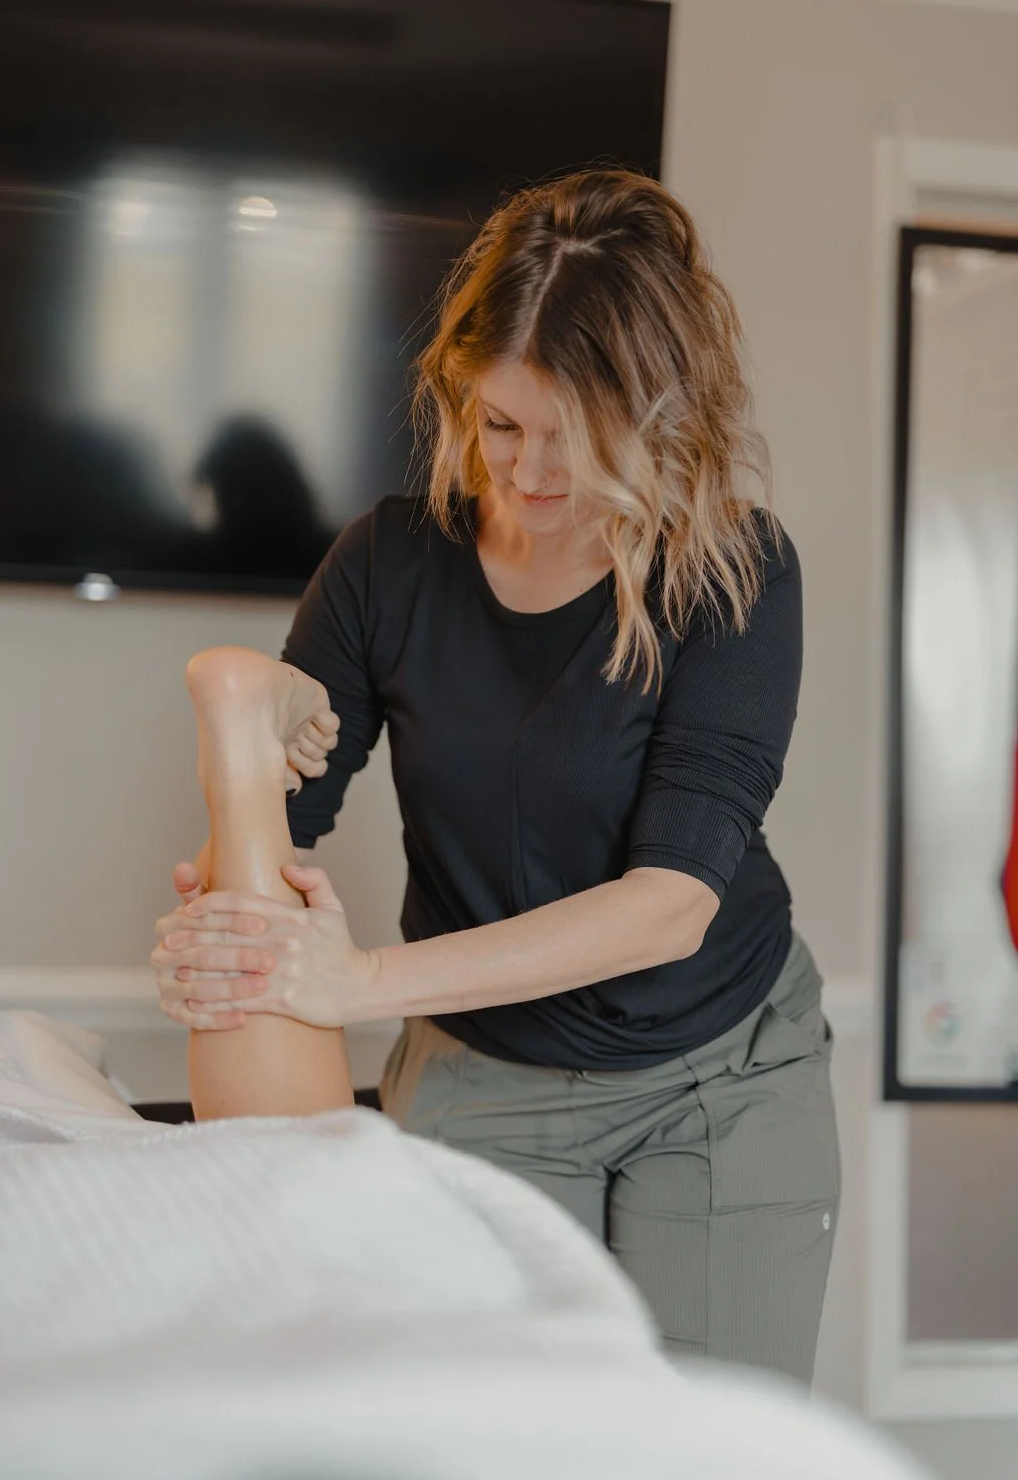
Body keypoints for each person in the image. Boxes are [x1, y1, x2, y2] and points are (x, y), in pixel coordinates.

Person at [152, 169, 841, 1384]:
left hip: (723, 1075)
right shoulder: (390, 564)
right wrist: (225, 917)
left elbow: (672, 900)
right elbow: (279, 834)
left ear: (658, 415)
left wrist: (359, 977)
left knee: (710, 1450)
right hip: (484, 1078)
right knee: (498, 1432)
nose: (524, 475)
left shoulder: (728, 570)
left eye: (573, 438)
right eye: (499, 424)